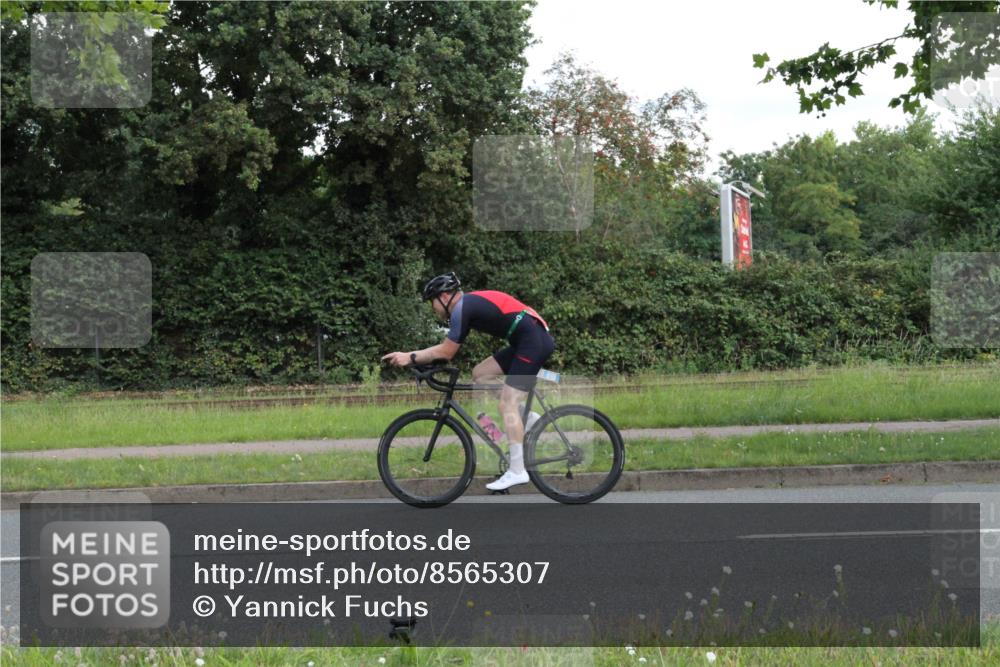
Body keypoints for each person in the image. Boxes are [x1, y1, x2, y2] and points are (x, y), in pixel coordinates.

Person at [381, 272, 554, 491]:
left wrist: (410, 356)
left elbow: (447, 351)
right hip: (526, 340)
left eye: (432, 302)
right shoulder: (466, 306)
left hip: (532, 341)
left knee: (506, 404)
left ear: (444, 297)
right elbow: (446, 351)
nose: (433, 308)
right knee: (481, 374)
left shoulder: (462, 307)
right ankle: (528, 418)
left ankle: (518, 470)